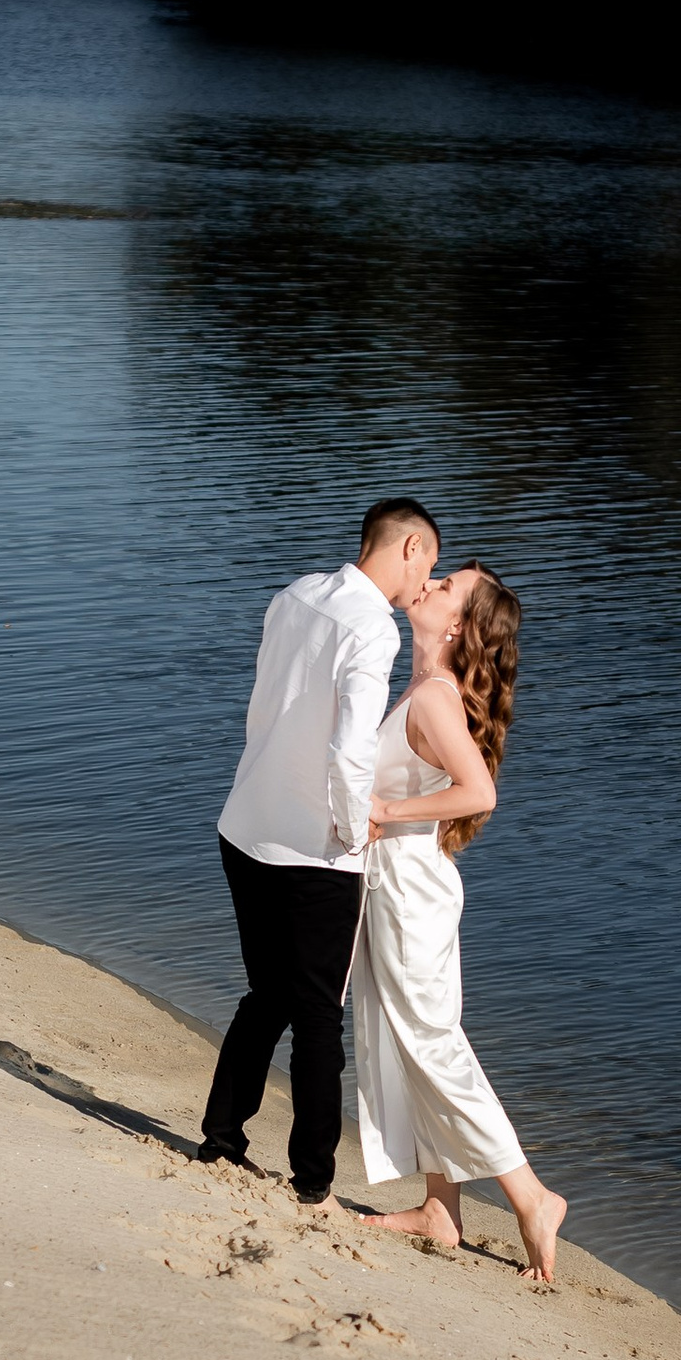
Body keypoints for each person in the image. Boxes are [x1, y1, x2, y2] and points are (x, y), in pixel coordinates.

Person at [199, 497, 442, 1206]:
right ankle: (313, 1184)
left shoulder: (295, 594)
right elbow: (351, 746)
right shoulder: (374, 630)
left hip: (246, 824)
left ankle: (221, 1137)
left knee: (266, 995)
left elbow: (265, 708)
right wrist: (350, 829)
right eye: (427, 563)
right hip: (312, 848)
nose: (425, 582)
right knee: (315, 1016)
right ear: (407, 548)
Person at [352, 561, 568, 1289]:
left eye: (446, 587)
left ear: (458, 626)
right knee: (409, 1042)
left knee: (435, 1046)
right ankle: (441, 1209)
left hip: (411, 891)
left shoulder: (437, 698)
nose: (431, 582)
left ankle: (532, 1197)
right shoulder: (420, 687)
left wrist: (385, 813)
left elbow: (478, 791)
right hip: (398, 888)